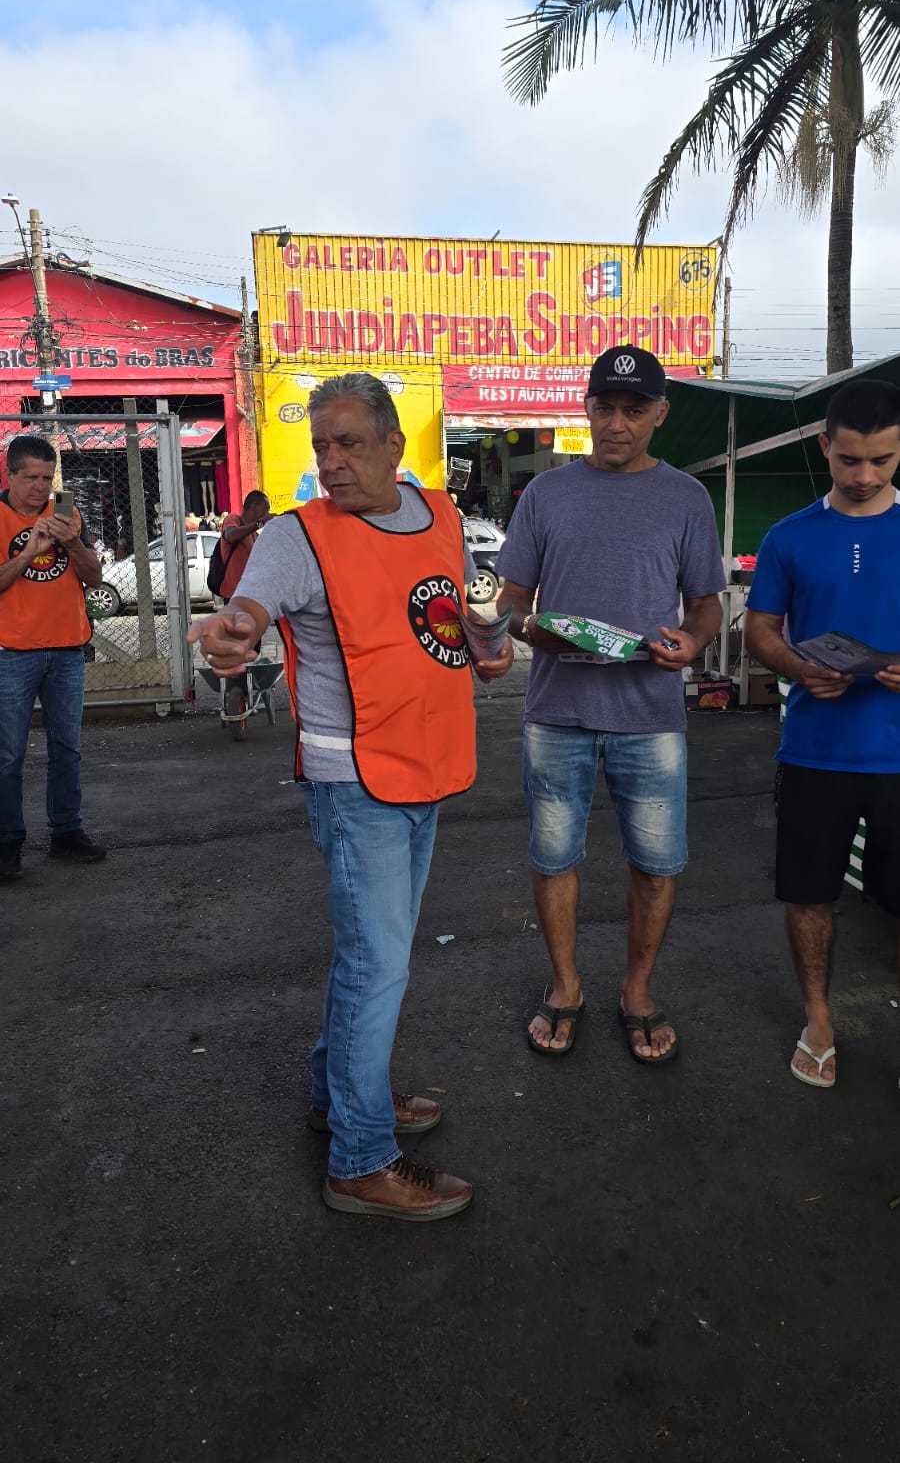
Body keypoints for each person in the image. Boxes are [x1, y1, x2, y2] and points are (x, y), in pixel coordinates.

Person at [188, 372, 513, 1220]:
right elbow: (248, 610)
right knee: (378, 963)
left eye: (349, 444)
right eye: (321, 446)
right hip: (356, 779)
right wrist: (234, 633)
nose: (331, 462)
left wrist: (487, 644)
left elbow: (450, 617)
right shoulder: (297, 537)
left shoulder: (440, 515)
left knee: (372, 957)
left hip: (429, 762)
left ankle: (340, 1098)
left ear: (394, 447)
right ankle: (361, 1160)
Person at [496, 345, 723, 1060]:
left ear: (660, 414)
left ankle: (637, 991)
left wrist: (692, 642)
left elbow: (707, 604)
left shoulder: (686, 497)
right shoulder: (546, 493)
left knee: (656, 864)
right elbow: (512, 598)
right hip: (557, 710)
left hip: (649, 713)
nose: (617, 423)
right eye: (605, 407)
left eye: (634, 410)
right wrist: (522, 628)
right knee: (553, 856)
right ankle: (566, 987)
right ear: (587, 408)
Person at [744, 379, 900, 1089]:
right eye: (849, 460)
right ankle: (818, 1020)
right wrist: (798, 668)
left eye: (882, 460)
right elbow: (761, 629)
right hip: (815, 753)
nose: (864, 475)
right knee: (809, 895)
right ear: (824, 446)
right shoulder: (789, 536)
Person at [0, 436, 107, 883]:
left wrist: (73, 543)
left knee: (67, 748)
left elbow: (94, 577)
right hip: (12, 652)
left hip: (66, 650)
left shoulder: (66, 511)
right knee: (8, 754)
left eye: (47, 478)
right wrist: (28, 553)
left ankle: (67, 832)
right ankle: (7, 843)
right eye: (31, 478)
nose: (41, 488)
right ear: (10, 475)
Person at [217, 491, 273, 602]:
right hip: (234, 595)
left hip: (248, 594)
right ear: (254, 506)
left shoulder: (253, 533)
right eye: (265, 509)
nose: (267, 513)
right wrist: (260, 522)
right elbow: (230, 536)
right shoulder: (233, 519)